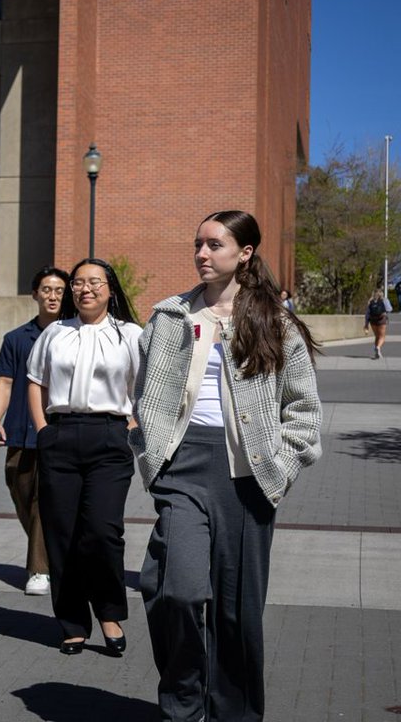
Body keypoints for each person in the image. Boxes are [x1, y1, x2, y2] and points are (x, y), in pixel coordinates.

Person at [133, 210, 321, 721]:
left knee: (238, 611)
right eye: (198, 244)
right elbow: (145, 393)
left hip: (249, 474)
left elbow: (303, 408)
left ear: (244, 253)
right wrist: (153, 454)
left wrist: (282, 463)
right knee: (174, 589)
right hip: (182, 465)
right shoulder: (171, 316)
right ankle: (184, 700)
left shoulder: (274, 322)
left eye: (214, 244)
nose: (201, 253)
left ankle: (233, 713)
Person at [26, 258, 141, 656]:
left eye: (94, 282)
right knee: (62, 535)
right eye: (78, 283)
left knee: (102, 532)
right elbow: (36, 381)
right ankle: (73, 622)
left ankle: (109, 612)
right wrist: (43, 431)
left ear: (111, 288)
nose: (84, 289)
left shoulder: (131, 334)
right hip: (60, 436)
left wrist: (129, 429)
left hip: (109, 438)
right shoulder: (56, 332)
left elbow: (144, 388)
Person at [0, 266, 69, 597]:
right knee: (22, 494)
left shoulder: (72, 335)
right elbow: (5, 382)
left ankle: (39, 569)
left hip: (57, 432)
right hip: (20, 431)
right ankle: (49, 551)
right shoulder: (16, 339)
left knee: (42, 501)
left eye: (59, 290)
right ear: (35, 294)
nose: (52, 295)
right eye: (46, 289)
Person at [364, 287, 392, 359]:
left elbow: (367, 313)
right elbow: (389, 309)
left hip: (372, 320)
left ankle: (377, 353)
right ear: (381, 293)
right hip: (381, 319)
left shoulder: (371, 301)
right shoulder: (384, 300)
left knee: (377, 336)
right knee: (382, 336)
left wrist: (366, 324)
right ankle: (378, 347)